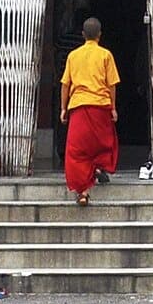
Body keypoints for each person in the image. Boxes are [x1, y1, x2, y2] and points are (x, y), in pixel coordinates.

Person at [60, 16, 121, 205]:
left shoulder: (73, 56)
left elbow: (65, 84)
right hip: (100, 106)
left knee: (78, 152)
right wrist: (113, 107)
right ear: (99, 35)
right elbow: (111, 84)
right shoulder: (105, 55)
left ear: (83, 35)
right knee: (102, 145)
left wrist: (63, 108)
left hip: (79, 106)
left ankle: (83, 192)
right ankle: (98, 168)